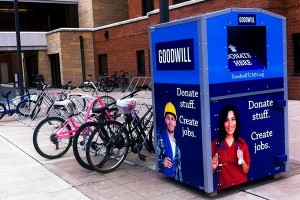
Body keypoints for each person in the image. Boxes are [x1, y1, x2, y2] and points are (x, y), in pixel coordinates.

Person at [211, 104, 251, 190]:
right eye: (226, 120)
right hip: (223, 189)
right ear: (222, 123)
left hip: (241, 187)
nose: (230, 124)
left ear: (236, 121)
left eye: (233, 119)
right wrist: (213, 167)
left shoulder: (242, 143)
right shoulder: (215, 144)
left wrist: (242, 160)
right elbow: (212, 172)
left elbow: (246, 170)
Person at [157, 102, 183, 182]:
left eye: (172, 119)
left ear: (175, 122)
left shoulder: (177, 145)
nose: (170, 122)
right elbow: (157, 160)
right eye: (168, 118)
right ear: (165, 120)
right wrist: (162, 163)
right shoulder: (160, 138)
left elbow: (179, 168)